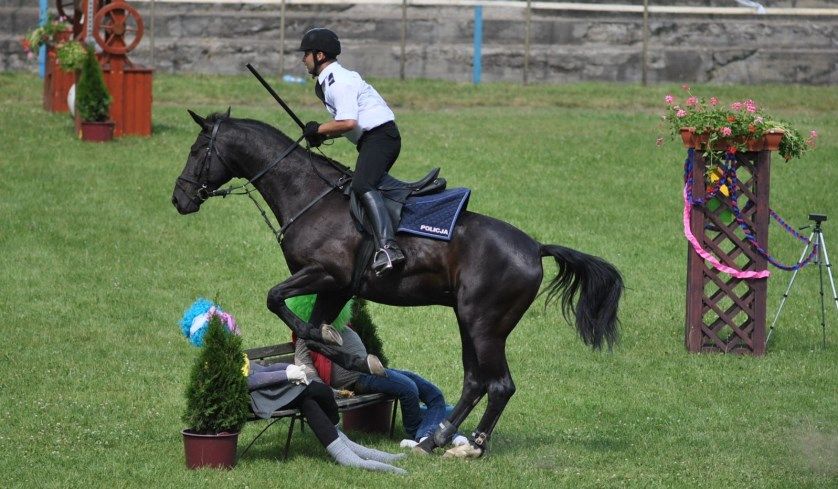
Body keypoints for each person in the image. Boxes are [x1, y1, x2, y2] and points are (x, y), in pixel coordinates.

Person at [181, 298, 406, 474]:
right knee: (314, 390)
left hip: (269, 393)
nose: (235, 329)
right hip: (260, 399)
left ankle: (348, 452)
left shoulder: (230, 355)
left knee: (309, 400)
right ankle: (346, 448)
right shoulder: (216, 362)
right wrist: (286, 374)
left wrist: (285, 368)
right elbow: (250, 381)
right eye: (230, 325)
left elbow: (258, 370)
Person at [287, 295, 466, 446]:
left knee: (434, 394)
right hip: (359, 380)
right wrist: (330, 392)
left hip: (373, 372)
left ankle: (430, 433)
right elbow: (306, 370)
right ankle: (419, 433)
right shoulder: (306, 338)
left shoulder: (341, 326)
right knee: (409, 387)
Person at [298, 27, 405, 276]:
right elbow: (348, 124)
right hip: (373, 139)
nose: (303, 59)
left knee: (362, 185)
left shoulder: (339, 82)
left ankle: (388, 248)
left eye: (306, 54)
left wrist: (318, 129)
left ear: (320, 55)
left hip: (380, 138)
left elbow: (348, 122)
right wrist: (322, 135)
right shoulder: (330, 81)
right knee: (362, 186)